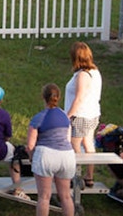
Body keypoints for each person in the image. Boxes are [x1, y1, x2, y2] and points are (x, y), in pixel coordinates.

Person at [26, 83, 76, 215]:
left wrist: (32, 157)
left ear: (43, 97)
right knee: (65, 196)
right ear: (58, 97)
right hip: (67, 156)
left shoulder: (38, 118)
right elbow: (68, 139)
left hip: (46, 155)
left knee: (44, 197)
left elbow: (30, 145)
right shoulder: (65, 117)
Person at [64, 42, 102, 187]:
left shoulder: (82, 75)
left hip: (80, 116)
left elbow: (79, 98)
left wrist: (68, 115)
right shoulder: (95, 72)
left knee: (74, 145)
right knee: (88, 143)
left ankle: (76, 176)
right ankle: (89, 176)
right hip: (92, 114)